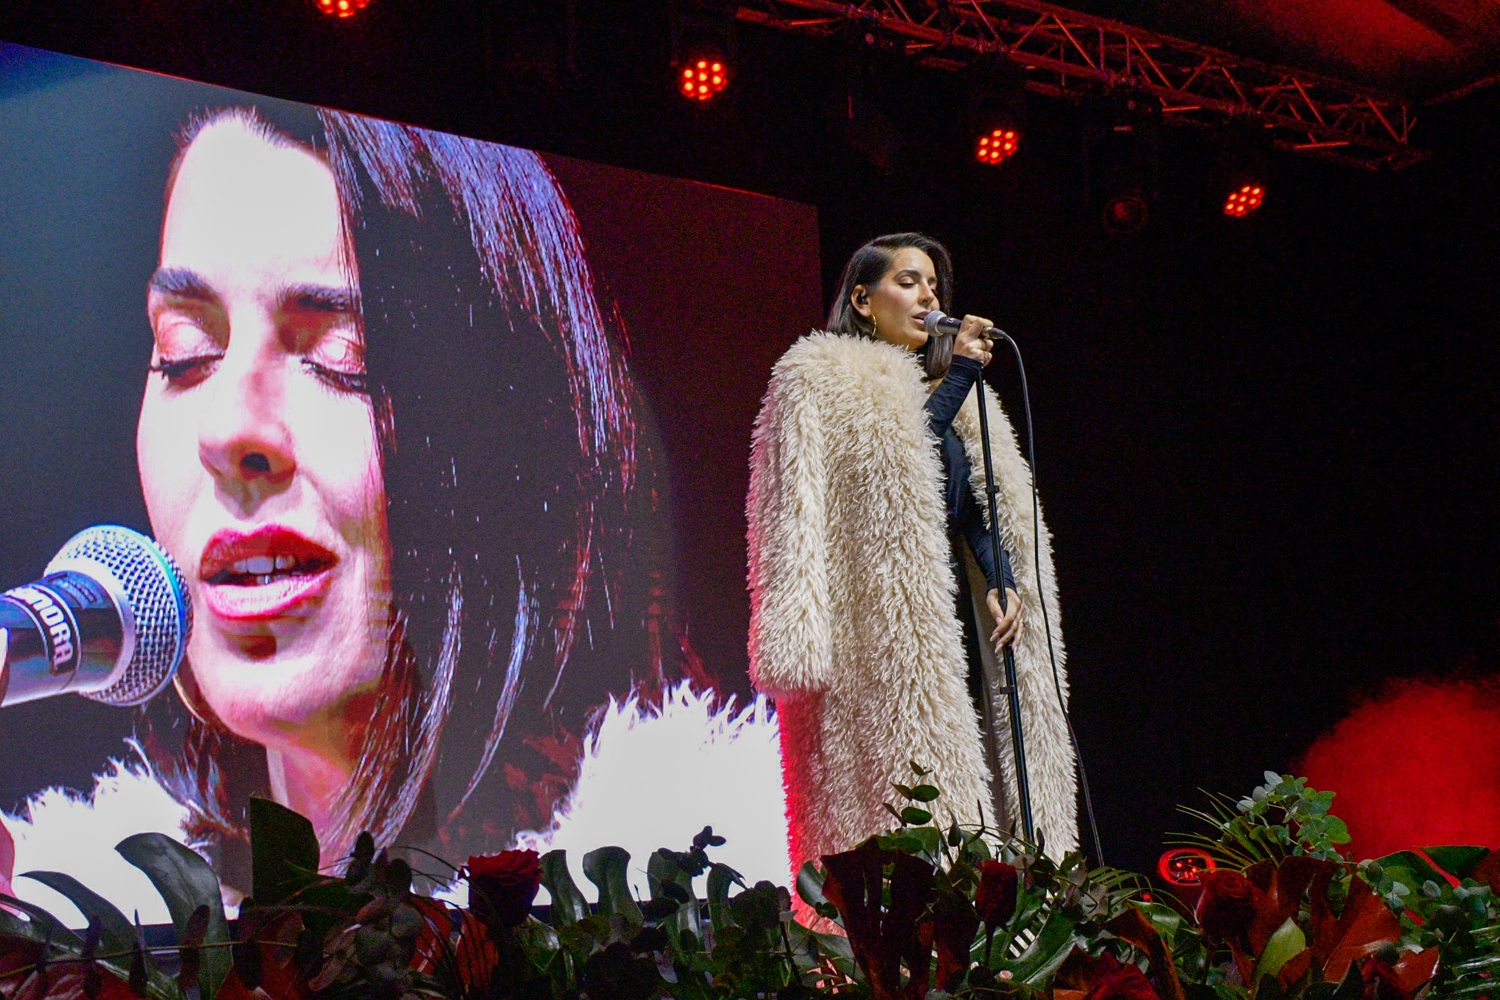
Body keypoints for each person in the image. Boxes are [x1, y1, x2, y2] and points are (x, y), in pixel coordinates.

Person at [2, 96, 675, 903]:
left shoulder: (717, 924)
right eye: (184, 355)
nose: (229, 430)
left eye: (339, 356)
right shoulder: (83, 931)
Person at [746, 233, 1077, 898]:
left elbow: (973, 505)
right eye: (909, 281)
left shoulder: (960, 402)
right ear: (864, 300)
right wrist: (957, 375)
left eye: (933, 284)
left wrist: (1004, 583)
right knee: (909, 812)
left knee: (993, 797)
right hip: (877, 632)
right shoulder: (824, 377)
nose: (928, 296)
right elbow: (897, 460)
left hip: (957, 626)